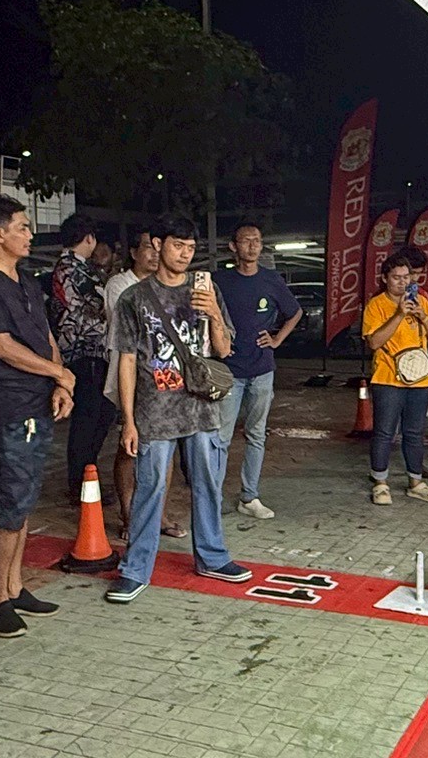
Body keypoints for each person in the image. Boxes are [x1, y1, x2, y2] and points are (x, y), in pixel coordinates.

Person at [106, 218, 251, 603]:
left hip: (201, 408)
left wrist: (214, 313)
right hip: (155, 412)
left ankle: (213, 557)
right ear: (158, 244)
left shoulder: (206, 290)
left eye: (190, 248)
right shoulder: (134, 298)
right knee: (150, 488)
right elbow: (126, 361)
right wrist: (128, 420)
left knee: (208, 484)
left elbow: (223, 350)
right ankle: (135, 569)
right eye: (177, 246)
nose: (185, 254)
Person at [0, 198, 73, 639]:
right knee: (10, 500)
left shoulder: (25, 280)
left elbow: (46, 337)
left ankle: (15, 585)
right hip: (7, 404)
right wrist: (58, 373)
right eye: (22, 227)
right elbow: (2, 346)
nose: (29, 235)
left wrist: (60, 381)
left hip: (36, 399)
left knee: (24, 498)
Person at [213, 220, 303, 520]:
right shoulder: (220, 281)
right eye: (246, 240)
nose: (252, 246)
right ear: (233, 246)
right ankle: (212, 498)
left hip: (262, 369)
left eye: (257, 241)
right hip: (229, 371)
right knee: (220, 438)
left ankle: (249, 497)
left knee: (256, 435)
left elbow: (295, 312)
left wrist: (277, 339)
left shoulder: (271, 279)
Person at [106, 229, 182, 539]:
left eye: (157, 247)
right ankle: (129, 516)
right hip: (132, 377)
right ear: (134, 253)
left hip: (166, 377)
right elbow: (134, 333)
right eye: (147, 248)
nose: (153, 253)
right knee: (130, 446)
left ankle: (159, 515)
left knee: (167, 445)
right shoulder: (120, 286)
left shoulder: (170, 285)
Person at [362, 245, 428, 505]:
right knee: (384, 432)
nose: (402, 282)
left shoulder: (422, 302)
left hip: (420, 379)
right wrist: (399, 315)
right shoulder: (376, 305)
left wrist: (423, 317)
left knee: (415, 432)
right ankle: (380, 482)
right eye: (396, 278)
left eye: (406, 277)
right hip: (387, 379)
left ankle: (415, 482)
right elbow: (374, 342)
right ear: (385, 278)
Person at [47, 214, 117, 507]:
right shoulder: (75, 269)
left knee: (96, 416)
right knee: (90, 419)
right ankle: (82, 481)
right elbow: (95, 309)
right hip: (85, 351)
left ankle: (86, 476)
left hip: (80, 352)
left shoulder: (66, 268)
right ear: (89, 238)